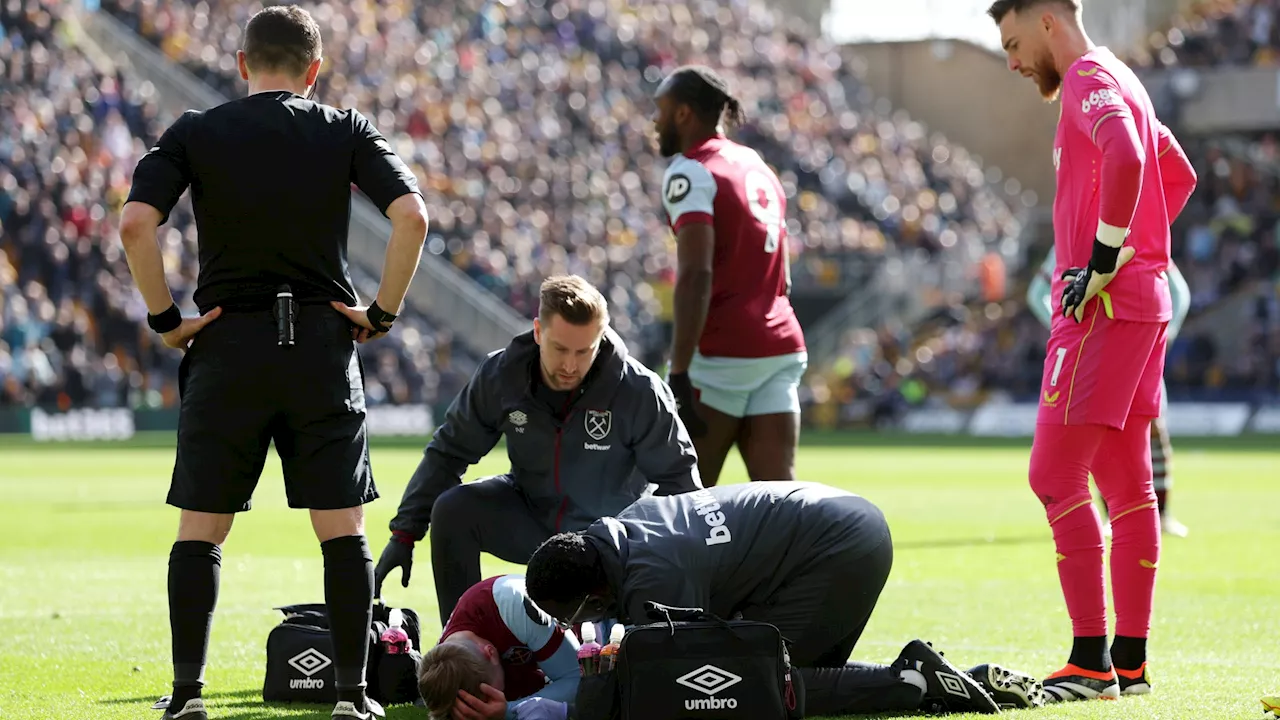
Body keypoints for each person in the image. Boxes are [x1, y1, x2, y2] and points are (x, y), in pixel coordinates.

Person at [119, 6, 429, 719]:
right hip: (321, 345)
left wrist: (168, 319)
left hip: (227, 345)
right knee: (341, 529)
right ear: (314, 71)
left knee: (202, 527)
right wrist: (380, 313)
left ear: (241, 64)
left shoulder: (196, 131)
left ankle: (189, 695)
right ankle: (353, 695)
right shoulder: (345, 127)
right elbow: (412, 216)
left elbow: (136, 223)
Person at [989, 0, 1198, 703]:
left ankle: (1089, 662)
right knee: (1128, 485)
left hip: (1101, 308)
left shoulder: (1085, 77)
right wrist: (1137, 250)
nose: (1013, 61)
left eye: (1015, 42)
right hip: (1142, 306)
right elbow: (1179, 174)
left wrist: (1104, 257)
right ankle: (1130, 663)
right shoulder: (1125, 79)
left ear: (1047, 17)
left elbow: (1132, 156)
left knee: (1052, 477)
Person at [524, 482, 1049, 716]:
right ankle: (952, 679)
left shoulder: (653, 576)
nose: (578, 627)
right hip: (839, 520)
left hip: (837, 546)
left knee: (757, 689)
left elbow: (666, 676)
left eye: (575, 616)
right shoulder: (616, 533)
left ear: (594, 592)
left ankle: (915, 681)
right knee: (793, 673)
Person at [374, 275, 701, 626]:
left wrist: (661, 566)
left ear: (601, 338)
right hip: (532, 518)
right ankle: (462, 643)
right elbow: (449, 451)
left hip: (608, 542)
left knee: (598, 664)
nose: (570, 366)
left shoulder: (639, 390)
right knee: (454, 510)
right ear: (538, 331)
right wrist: (404, 534)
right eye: (560, 349)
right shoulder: (502, 375)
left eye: (584, 351)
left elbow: (679, 484)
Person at [653, 66, 807, 487]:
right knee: (779, 501)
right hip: (779, 346)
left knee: (683, 502)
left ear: (683, 114)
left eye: (660, 109)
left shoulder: (690, 170)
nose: (654, 119)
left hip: (721, 355)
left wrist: (680, 370)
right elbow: (784, 278)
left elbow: (696, 274)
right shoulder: (755, 163)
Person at [1027, 248, 1193, 537]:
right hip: (1123, 348)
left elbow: (1179, 291)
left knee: (1139, 432)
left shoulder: (1089, 235)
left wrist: (1063, 324)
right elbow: (1178, 291)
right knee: (1130, 435)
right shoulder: (1125, 231)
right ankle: (1141, 516)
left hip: (1108, 350)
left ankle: (1149, 515)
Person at [417, 575, 581, 720]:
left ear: (491, 653)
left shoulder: (512, 606)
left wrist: (507, 711)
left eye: (489, 697)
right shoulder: (444, 668)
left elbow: (581, 679)